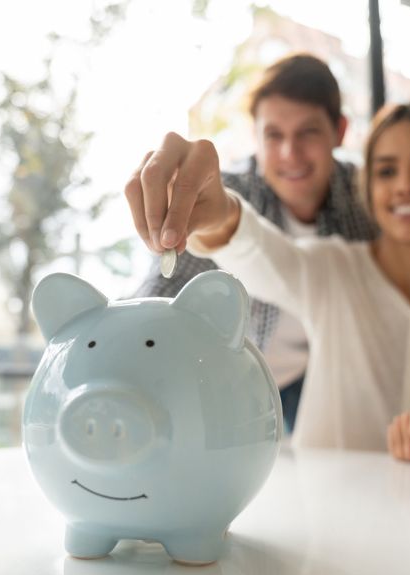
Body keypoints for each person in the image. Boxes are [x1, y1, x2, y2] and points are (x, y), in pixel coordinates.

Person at [125, 101, 410, 465]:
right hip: (325, 518)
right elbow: (257, 250)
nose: (406, 185)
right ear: (368, 190)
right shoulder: (334, 271)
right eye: (387, 171)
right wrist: (218, 212)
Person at [131, 54, 376, 433]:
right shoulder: (224, 194)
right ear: (255, 136)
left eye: (307, 133)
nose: (289, 153)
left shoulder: (367, 197)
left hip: (330, 381)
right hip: (240, 387)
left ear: (339, 131)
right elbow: (165, 291)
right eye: (273, 135)